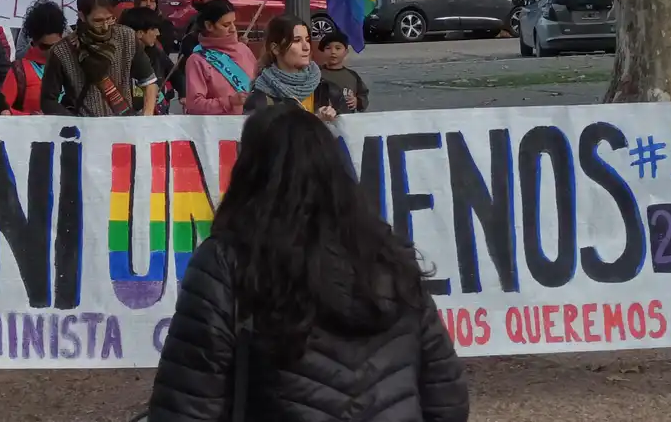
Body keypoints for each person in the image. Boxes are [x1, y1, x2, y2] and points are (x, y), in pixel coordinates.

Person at [148, 105, 469, 422]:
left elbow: (184, 407)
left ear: (249, 173)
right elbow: (446, 400)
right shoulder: (390, 257)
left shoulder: (226, 262)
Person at [41, 0, 158, 117]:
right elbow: (48, 101)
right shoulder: (62, 51)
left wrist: (147, 117)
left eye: (109, 19)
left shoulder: (127, 37)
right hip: (85, 130)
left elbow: (149, 82)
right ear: (82, 16)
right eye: (98, 21)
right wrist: (72, 122)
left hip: (123, 127)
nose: (105, 27)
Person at [244, 15, 340, 119]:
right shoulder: (260, 98)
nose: (306, 47)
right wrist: (315, 122)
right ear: (275, 48)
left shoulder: (329, 90)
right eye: (297, 40)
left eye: (307, 40)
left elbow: (349, 130)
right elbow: (257, 134)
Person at [182, 0, 255, 115]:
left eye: (233, 23)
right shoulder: (197, 60)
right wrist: (229, 101)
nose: (233, 29)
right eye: (226, 25)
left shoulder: (243, 50)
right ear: (209, 26)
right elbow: (194, 105)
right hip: (219, 129)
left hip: (252, 124)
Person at [3, 0, 67, 115]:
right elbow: (3, 110)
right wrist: (31, 118)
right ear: (34, 41)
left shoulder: (71, 66)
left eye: (56, 46)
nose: (51, 52)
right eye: (45, 46)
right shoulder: (19, 70)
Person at [119, 6, 176, 112]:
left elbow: (174, 71)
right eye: (153, 29)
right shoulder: (119, 57)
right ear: (139, 33)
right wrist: (148, 96)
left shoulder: (157, 52)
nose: (158, 33)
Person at [312, 29, 369, 113]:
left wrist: (357, 101)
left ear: (346, 52)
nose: (333, 52)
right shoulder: (316, 74)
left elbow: (363, 94)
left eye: (338, 48)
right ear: (323, 52)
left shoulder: (352, 76)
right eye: (328, 48)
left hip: (347, 120)